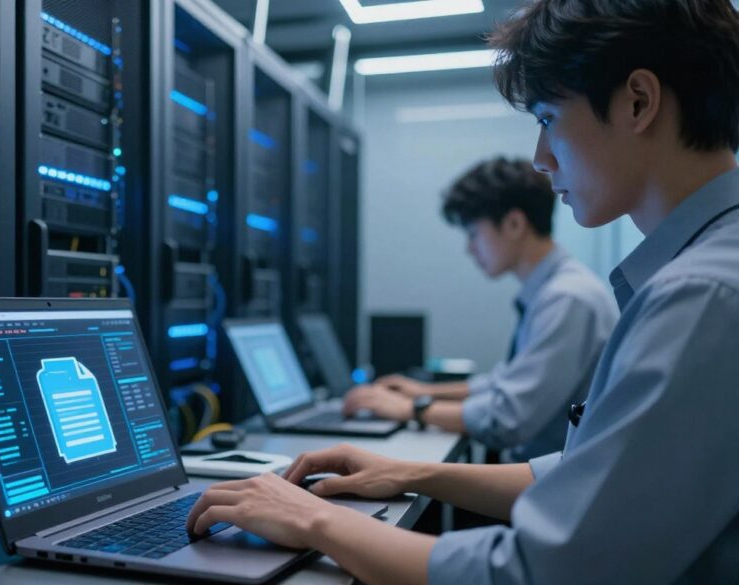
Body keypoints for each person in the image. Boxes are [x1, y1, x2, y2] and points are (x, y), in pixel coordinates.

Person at [187, 1, 739, 582]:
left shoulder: (702, 296)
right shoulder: (702, 276)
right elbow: (582, 472)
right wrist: (411, 473)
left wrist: (312, 520)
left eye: (547, 118)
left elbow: (537, 573)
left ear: (638, 102)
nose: (540, 158)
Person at [343, 157, 618, 462]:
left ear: (514, 223)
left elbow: (507, 419)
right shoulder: (552, 291)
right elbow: (506, 382)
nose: (470, 248)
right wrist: (423, 391)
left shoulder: (567, 299)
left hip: (543, 492)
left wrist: (411, 408)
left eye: (474, 233)